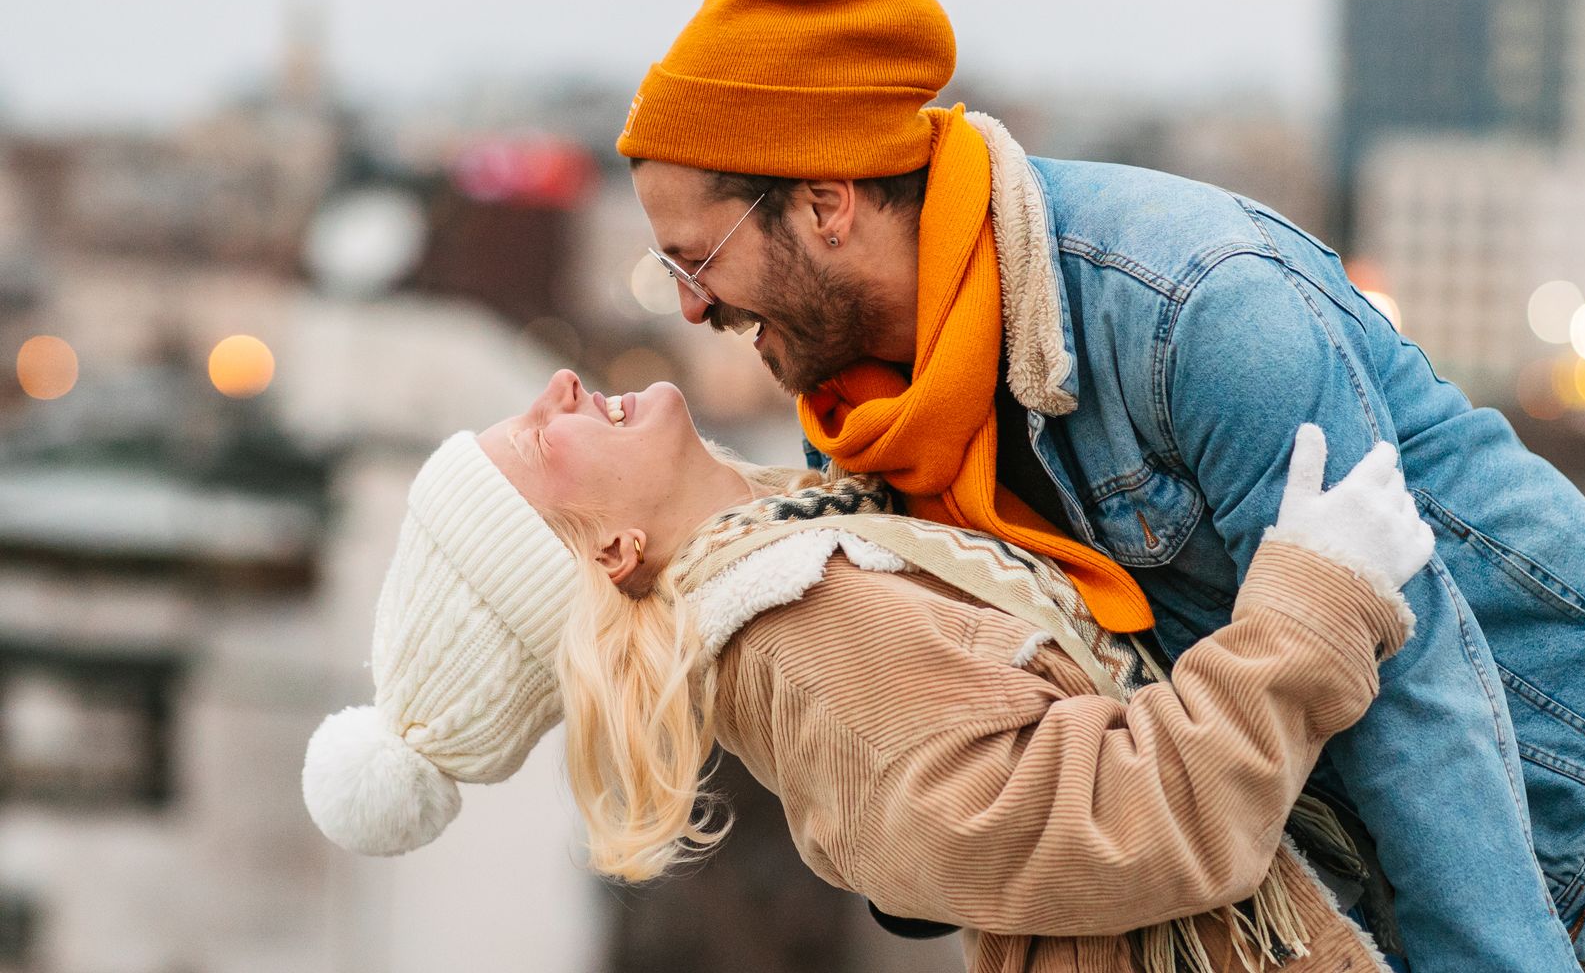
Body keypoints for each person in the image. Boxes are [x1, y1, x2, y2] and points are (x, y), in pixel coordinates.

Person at [615, 0, 1585, 973]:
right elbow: (969, 779)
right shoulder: (869, 427)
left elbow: (1419, 684)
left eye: (695, 260)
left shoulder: (1195, 309)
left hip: (1563, 803)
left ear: (824, 205)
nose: (688, 308)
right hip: (1319, 887)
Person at [302, 369, 1437, 973]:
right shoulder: (811, 658)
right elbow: (1131, 823)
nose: (557, 384)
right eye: (536, 441)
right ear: (609, 551)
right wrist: (1320, 593)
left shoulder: (820, 546)